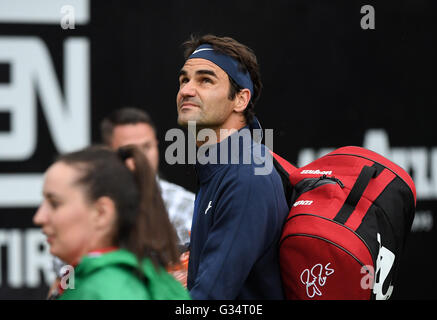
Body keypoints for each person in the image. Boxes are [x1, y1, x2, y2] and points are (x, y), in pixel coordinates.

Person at [176, 34, 289, 299]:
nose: (187, 90)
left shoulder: (245, 177)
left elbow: (207, 299)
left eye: (205, 80)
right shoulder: (222, 168)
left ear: (240, 99)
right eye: (184, 80)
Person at [33, 145, 191, 300]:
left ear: (101, 213)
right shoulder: (161, 282)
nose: (39, 217)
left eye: (55, 203)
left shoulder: (96, 291)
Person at [101, 107, 194, 246]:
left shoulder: (186, 205)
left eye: (147, 147)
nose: (141, 157)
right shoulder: (91, 205)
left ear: (157, 145)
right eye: (130, 150)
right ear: (109, 153)